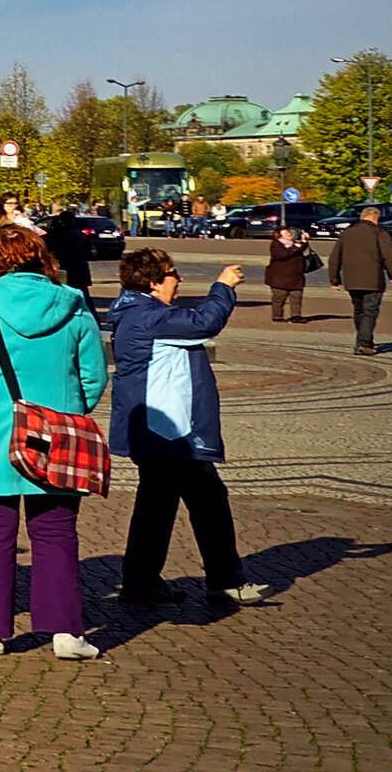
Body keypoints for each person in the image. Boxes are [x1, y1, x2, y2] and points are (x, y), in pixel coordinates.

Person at [0, 218, 108, 659]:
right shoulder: (73, 303)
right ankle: (66, 632)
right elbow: (94, 375)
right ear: (41, 258)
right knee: (56, 532)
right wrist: (65, 412)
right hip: (56, 435)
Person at [110, 246, 268, 612]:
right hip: (169, 431)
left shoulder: (138, 312)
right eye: (172, 274)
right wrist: (223, 286)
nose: (178, 280)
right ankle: (225, 581)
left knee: (158, 506)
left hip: (158, 430)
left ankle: (142, 582)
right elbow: (204, 323)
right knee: (206, 501)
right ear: (153, 282)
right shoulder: (148, 316)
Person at [329, 204, 392, 354]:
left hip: (352, 279)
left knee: (359, 311)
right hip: (373, 279)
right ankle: (363, 343)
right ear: (376, 218)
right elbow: (388, 256)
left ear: (362, 217)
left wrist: (334, 279)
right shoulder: (379, 233)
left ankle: (364, 341)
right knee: (370, 311)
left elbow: (334, 258)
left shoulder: (347, 233)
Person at [264, 225, 311, 323]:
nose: (289, 234)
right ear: (279, 236)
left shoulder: (294, 244)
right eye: (286, 233)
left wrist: (304, 241)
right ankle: (277, 316)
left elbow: (303, 249)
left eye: (289, 233)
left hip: (296, 277)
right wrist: (294, 247)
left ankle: (296, 316)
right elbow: (281, 255)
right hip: (279, 277)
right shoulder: (276, 244)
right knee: (279, 298)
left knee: (296, 297)